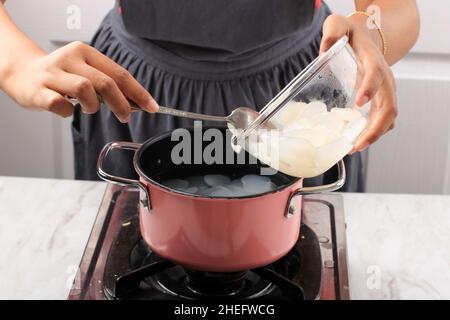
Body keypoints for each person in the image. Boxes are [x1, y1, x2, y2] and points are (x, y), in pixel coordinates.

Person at [0, 0, 419, 191]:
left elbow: (395, 7)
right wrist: (16, 64)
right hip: (134, 95)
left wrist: (371, 32)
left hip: (300, 96)